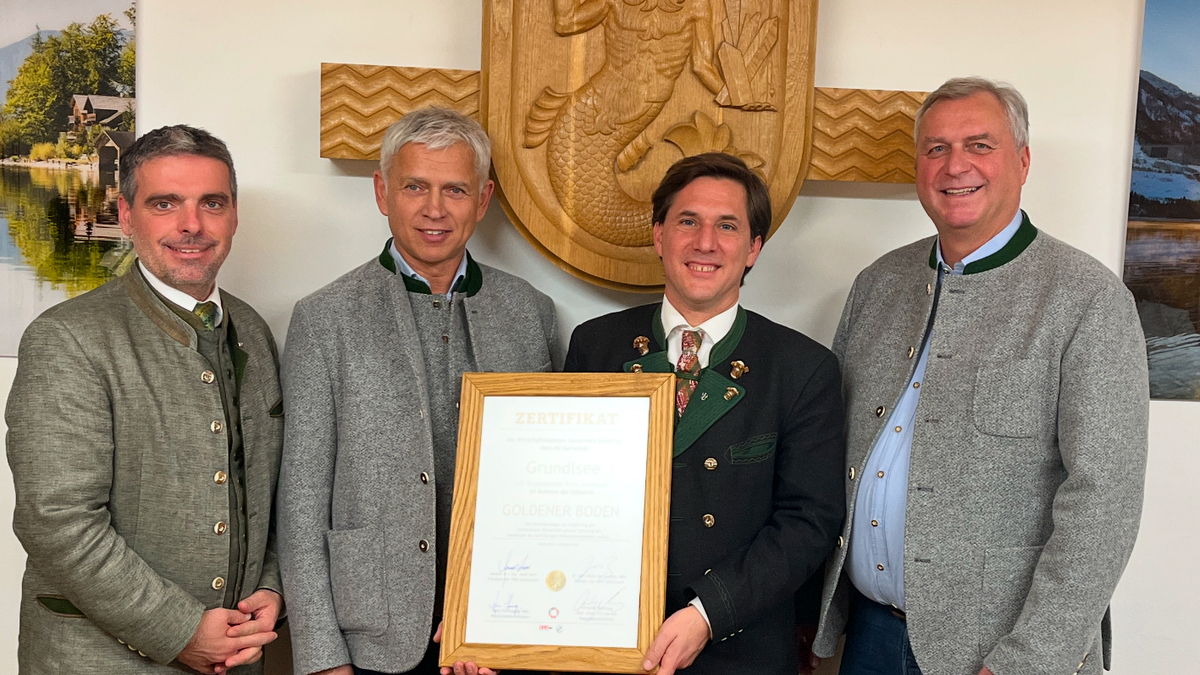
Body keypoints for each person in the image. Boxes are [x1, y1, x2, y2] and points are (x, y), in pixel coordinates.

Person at [813, 77, 1150, 675]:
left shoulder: (1089, 300)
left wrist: (1027, 661)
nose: (955, 165)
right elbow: (831, 455)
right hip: (867, 636)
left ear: (1023, 161)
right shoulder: (876, 285)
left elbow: (1105, 504)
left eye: (979, 145)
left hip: (998, 653)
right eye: (936, 148)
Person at [277, 106, 561, 675]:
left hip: (500, 631)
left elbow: (551, 485)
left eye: (455, 189)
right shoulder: (324, 319)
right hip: (370, 636)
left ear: (483, 199)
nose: (435, 209)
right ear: (382, 192)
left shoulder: (531, 313)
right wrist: (321, 655)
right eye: (415, 187)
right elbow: (301, 500)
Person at [6, 125, 285, 674]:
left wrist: (272, 588)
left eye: (212, 203)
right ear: (126, 215)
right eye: (165, 203)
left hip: (241, 657)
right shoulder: (67, 338)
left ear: (234, 215)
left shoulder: (253, 329)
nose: (192, 224)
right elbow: (56, 522)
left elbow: (271, 491)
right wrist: (180, 631)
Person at [563, 152, 846, 675]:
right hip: (605, 635)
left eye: (728, 226)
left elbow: (809, 522)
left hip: (739, 647)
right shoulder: (594, 346)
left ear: (754, 248)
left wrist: (706, 613)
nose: (705, 243)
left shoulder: (803, 368)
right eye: (688, 221)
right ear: (659, 236)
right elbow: (561, 495)